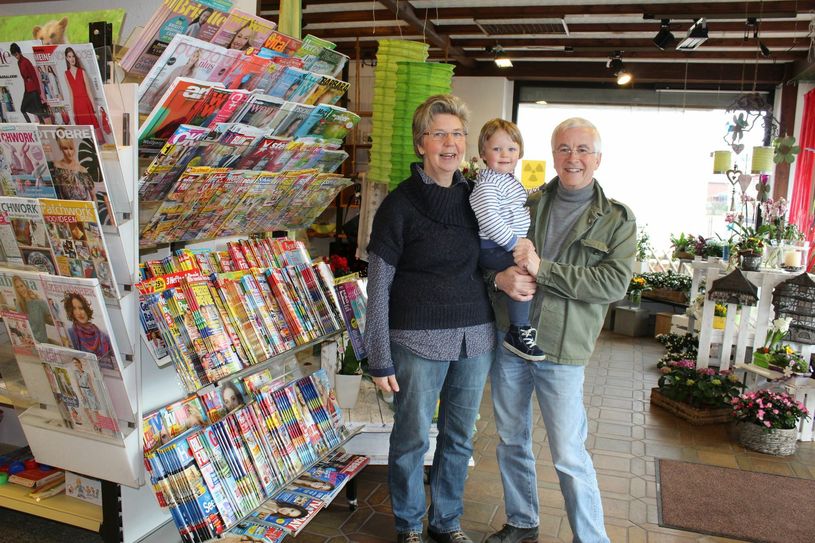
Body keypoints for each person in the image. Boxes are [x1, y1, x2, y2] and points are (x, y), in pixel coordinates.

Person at [485, 117, 636, 543]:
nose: (574, 158)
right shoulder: (526, 203)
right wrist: (498, 279)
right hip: (510, 341)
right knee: (511, 439)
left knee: (569, 454)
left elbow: (611, 284)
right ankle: (521, 521)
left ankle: (590, 538)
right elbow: (488, 256)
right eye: (564, 149)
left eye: (583, 149)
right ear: (553, 156)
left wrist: (542, 268)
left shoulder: (617, 220)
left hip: (562, 350)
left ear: (598, 158)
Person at [365, 94, 495, 543]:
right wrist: (379, 358)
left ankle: (446, 523)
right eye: (439, 133)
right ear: (421, 143)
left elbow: (495, 257)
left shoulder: (479, 200)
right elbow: (378, 284)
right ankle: (408, 525)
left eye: (457, 134)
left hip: (474, 338)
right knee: (412, 438)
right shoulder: (398, 207)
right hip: (416, 339)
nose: (450, 143)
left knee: (459, 438)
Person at [470, 118, 544, 361]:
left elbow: (515, 206)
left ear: (520, 152)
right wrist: (515, 245)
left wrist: (536, 193)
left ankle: (521, 326)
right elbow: (490, 220)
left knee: (526, 269)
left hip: (504, 243)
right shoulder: (487, 184)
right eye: (496, 149)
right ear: (483, 152)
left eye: (511, 149)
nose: (505, 154)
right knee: (523, 268)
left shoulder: (508, 180)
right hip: (493, 246)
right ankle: (518, 329)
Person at [63, 291, 114, 369]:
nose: (78, 313)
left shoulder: (103, 335)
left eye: (81, 308)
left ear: (86, 309)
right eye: (74, 309)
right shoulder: (71, 333)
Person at [10, 43, 50, 123]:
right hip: (28, 90)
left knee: (39, 111)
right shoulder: (19, 63)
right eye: (14, 55)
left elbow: (34, 76)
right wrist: (25, 90)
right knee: (23, 109)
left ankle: (42, 126)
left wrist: (38, 91)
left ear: (19, 52)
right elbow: (24, 79)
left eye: (16, 54)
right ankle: (30, 125)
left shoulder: (26, 61)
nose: (16, 57)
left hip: (34, 90)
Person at [64, 47, 101, 131]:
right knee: (83, 131)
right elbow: (71, 93)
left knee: (92, 129)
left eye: (73, 56)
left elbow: (89, 91)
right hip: (77, 105)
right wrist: (73, 110)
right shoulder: (66, 74)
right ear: (66, 58)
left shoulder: (82, 72)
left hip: (86, 103)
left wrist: (94, 109)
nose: (72, 59)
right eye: (69, 57)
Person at [50, 135, 95, 201]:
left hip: (84, 207)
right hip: (65, 207)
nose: (69, 152)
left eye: (71, 148)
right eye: (65, 148)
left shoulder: (82, 170)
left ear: (74, 149)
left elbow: (93, 196)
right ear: (61, 148)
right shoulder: (57, 166)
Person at [12, 275, 54, 344]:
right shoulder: (18, 305)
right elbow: (22, 328)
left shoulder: (39, 302)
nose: (21, 290)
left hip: (42, 343)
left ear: (26, 285)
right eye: (17, 287)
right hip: (28, 343)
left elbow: (51, 320)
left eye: (21, 286)